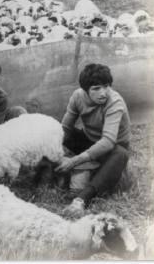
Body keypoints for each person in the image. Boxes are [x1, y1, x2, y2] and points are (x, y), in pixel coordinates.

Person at [56, 64, 131, 216]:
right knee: (55, 130)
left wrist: (74, 161)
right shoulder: (77, 96)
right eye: (96, 88)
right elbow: (65, 127)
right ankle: (50, 169)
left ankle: (81, 200)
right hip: (89, 140)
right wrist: (57, 153)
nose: (103, 93)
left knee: (121, 154)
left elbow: (108, 142)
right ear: (85, 90)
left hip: (112, 148)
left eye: (106, 86)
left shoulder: (115, 102)